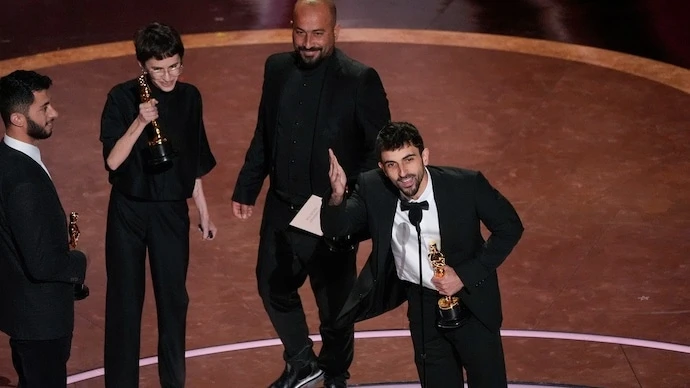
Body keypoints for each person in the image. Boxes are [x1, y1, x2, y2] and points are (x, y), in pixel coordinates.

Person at [231, 0, 390, 386]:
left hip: (330, 212)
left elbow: (379, 151)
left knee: (335, 309)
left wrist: (350, 201)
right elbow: (265, 133)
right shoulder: (277, 68)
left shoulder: (360, 79)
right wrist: (248, 186)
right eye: (300, 32)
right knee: (272, 286)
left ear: (336, 31)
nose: (308, 43)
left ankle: (336, 376)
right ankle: (301, 360)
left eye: (318, 34)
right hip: (283, 205)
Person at [321, 122, 524, 387]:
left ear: (424, 156)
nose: (403, 173)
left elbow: (510, 227)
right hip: (423, 306)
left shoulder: (466, 185)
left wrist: (463, 275)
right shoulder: (374, 188)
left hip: (472, 301)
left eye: (409, 159)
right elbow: (339, 228)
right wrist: (337, 196)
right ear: (382, 168)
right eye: (392, 164)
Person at [99, 22, 217, 388]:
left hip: (169, 211)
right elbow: (113, 162)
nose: (168, 75)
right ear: (142, 67)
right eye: (158, 69)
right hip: (128, 211)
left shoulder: (190, 97)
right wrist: (139, 120)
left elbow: (193, 162)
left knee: (173, 303)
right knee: (124, 303)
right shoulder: (121, 98)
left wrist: (203, 212)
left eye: (174, 66)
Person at [0, 70, 88, 388]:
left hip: (25, 318)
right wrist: (79, 262)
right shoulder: (23, 181)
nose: (54, 113)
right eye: (44, 107)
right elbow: (42, 264)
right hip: (41, 322)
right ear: (18, 119)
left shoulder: (7, 161)